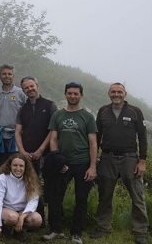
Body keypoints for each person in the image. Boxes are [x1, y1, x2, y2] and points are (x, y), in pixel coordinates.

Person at [92, 83, 149, 244]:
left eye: (119, 92)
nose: (116, 94)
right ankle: (103, 227)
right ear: (109, 93)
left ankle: (141, 231)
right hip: (107, 158)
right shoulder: (103, 111)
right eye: (113, 92)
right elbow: (96, 137)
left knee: (137, 196)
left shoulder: (135, 112)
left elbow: (143, 138)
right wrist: (95, 158)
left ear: (125, 94)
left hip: (130, 158)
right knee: (105, 195)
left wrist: (142, 161)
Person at [43, 82, 97, 244]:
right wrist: (58, 160)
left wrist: (93, 167)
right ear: (65, 94)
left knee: (81, 198)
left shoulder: (87, 117)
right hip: (63, 163)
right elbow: (53, 139)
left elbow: (93, 143)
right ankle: (56, 229)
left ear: (81, 95)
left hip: (82, 163)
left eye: (76, 93)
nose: (72, 96)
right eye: (70, 93)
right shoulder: (58, 115)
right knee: (55, 197)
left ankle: (77, 233)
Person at [14, 76, 57, 221]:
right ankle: (38, 219)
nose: (29, 89)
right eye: (26, 87)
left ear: (37, 86)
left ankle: (54, 221)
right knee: (32, 187)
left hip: (46, 154)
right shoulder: (22, 109)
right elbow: (18, 132)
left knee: (50, 187)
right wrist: (22, 152)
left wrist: (41, 150)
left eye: (31, 86)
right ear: (24, 90)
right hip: (27, 155)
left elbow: (53, 130)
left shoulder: (50, 105)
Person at [0, 154, 43, 242]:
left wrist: (23, 216)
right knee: (13, 217)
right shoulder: (2, 178)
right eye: (15, 165)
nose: (18, 168)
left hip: (22, 211)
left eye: (21, 166)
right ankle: (5, 228)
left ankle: (18, 230)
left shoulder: (31, 179)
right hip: (7, 210)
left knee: (37, 219)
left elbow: (33, 202)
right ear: (10, 166)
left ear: (25, 167)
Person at [0, 64, 27, 168]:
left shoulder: (21, 93)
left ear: (13, 76)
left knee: (17, 166)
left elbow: (27, 113)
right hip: (0, 136)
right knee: (2, 166)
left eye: (9, 74)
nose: (7, 76)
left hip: (17, 136)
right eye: (4, 74)